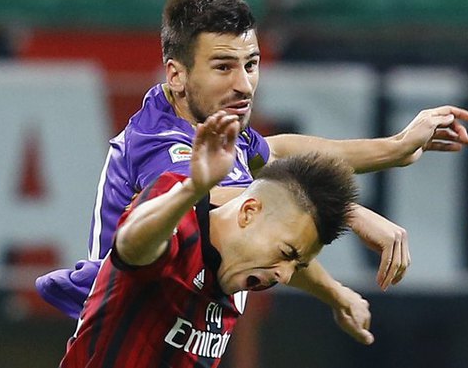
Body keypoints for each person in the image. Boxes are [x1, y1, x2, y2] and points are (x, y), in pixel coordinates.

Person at [37, 0, 468, 344]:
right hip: (128, 338)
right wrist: (347, 211)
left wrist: (395, 148)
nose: (244, 84)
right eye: (224, 67)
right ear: (176, 74)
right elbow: (206, 194)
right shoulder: (160, 143)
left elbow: (278, 165)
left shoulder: (219, 128)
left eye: (251, 64)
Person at [60, 110, 360, 368]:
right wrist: (193, 187)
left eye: (297, 265)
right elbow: (131, 246)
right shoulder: (180, 223)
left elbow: (296, 261)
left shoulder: (238, 266)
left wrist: (337, 295)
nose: (285, 275)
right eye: (285, 253)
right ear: (249, 212)